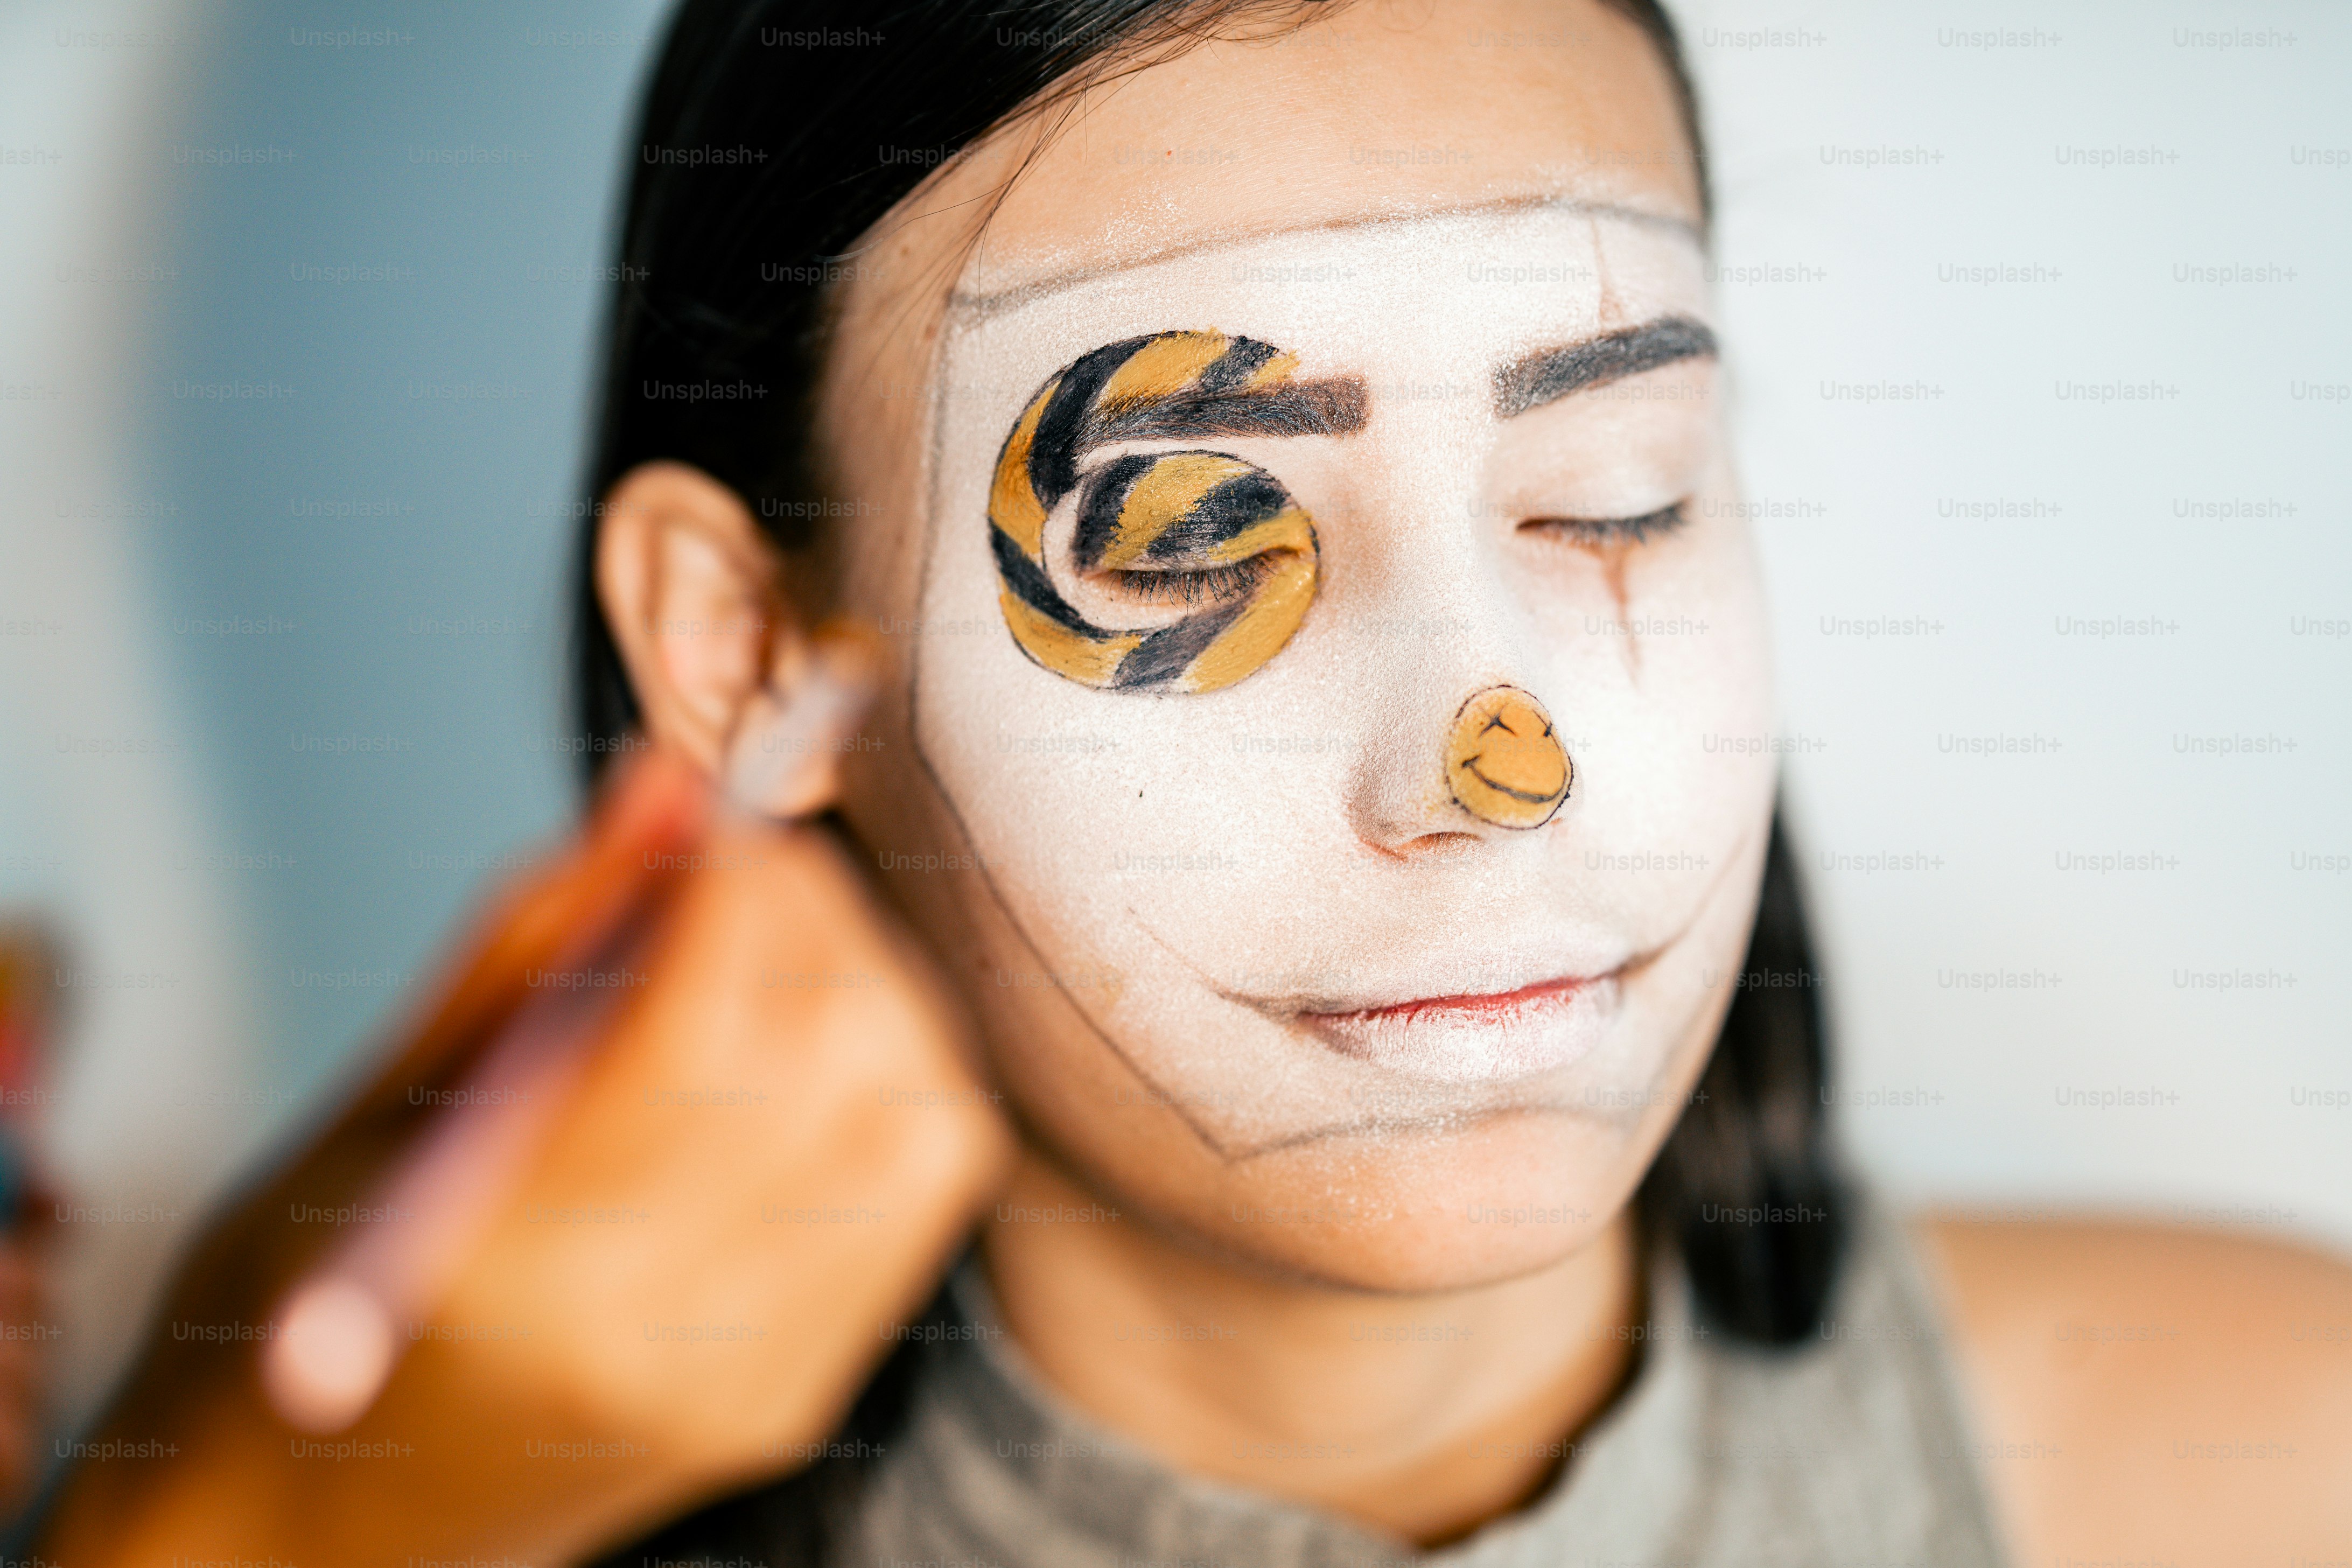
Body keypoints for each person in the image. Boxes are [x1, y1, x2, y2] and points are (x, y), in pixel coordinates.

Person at [30, 2, 2352, 1563]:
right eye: (1200, 533)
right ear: (745, 651)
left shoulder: (2267, 1458)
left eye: (1613, 493)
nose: (1499, 762)